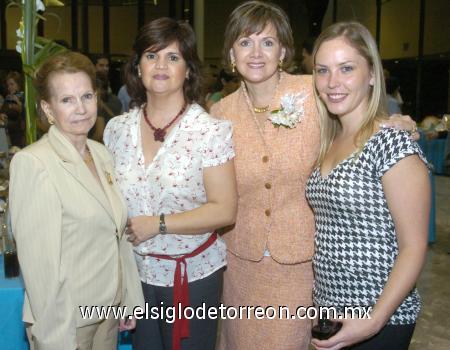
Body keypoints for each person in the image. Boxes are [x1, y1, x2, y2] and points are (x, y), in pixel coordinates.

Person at [209, 2, 418, 349]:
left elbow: (360, 121)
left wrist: (397, 123)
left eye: (268, 42)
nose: (256, 53)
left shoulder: (315, 92)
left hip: (300, 265)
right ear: (231, 53)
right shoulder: (220, 113)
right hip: (240, 266)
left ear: (284, 51)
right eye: (245, 43)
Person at [103, 17, 238, 350]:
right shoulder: (116, 130)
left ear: (188, 70)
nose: (161, 65)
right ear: (137, 68)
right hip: (134, 277)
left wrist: (158, 225)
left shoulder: (210, 131)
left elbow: (225, 210)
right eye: (151, 56)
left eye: (173, 57)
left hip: (191, 278)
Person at [306, 21, 430, 350]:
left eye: (346, 68)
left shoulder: (392, 144)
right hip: (330, 310)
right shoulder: (329, 141)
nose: (333, 82)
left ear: (372, 73)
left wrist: (373, 320)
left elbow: (414, 247)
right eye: (323, 70)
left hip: (380, 319)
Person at [9, 52, 144, 350]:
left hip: (106, 311)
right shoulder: (34, 163)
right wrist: (55, 339)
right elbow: (39, 267)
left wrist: (129, 300)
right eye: (67, 100)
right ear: (48, 108)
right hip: (66, 323)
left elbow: (118, 235)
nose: (81, 109)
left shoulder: (102, 154)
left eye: (86, 96)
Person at [1, 71, 25, 146]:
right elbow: (3, 110)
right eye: (8, 85)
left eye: (12, 84)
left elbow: (25, 112)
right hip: (6, 131)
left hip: (18, 132)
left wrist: (17, 103)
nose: (9, 87)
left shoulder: (23, 96)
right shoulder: (8, 97)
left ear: (18, 84)